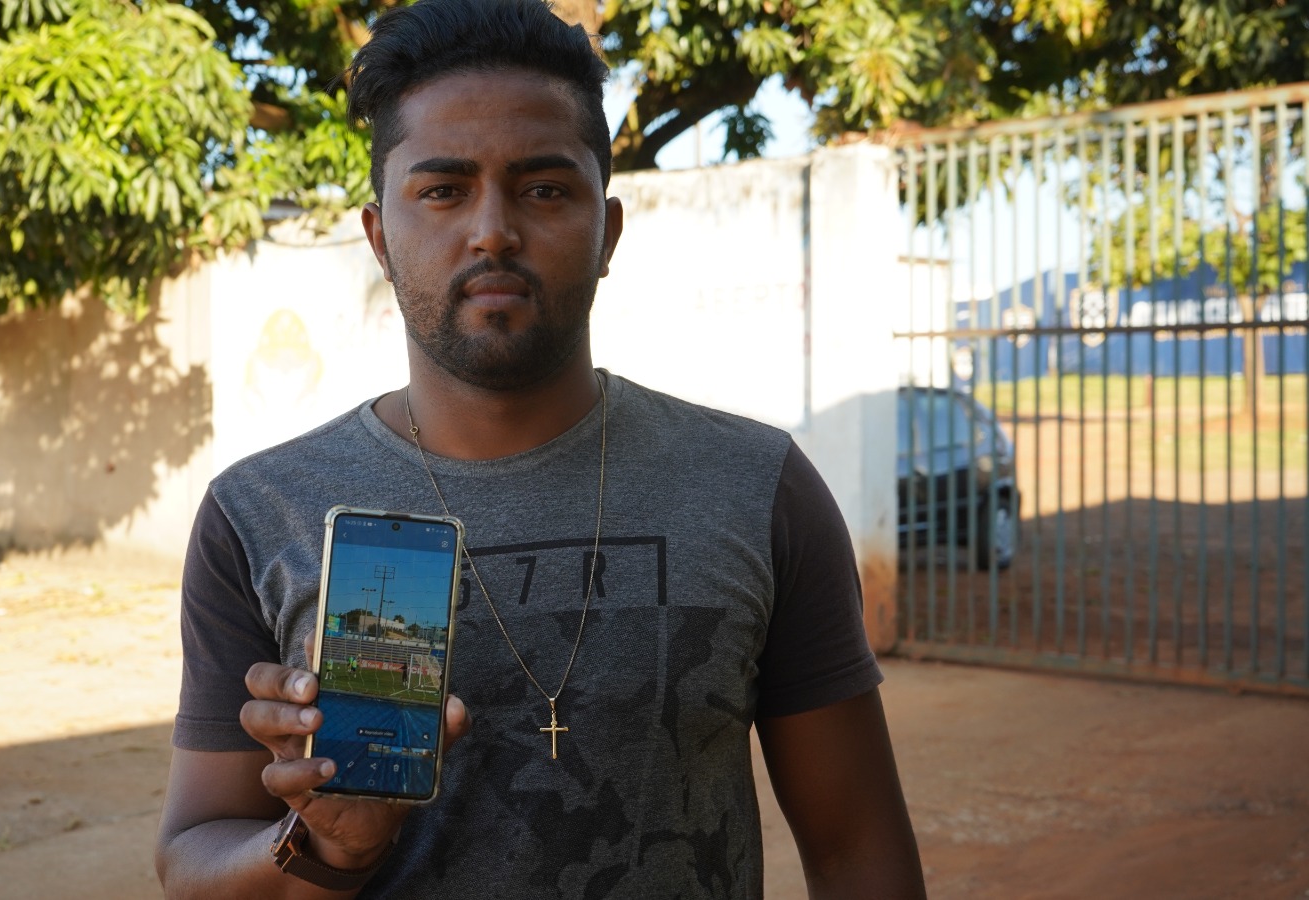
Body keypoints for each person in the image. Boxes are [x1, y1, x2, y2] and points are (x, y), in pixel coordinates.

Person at [154, 0, 925, 896]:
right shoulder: (262, 512)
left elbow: (857, 847)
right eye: (442, 190)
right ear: (378, 237)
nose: (492, 231)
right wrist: (328, 846)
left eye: (545, 189)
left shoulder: (758, 486)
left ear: (609, 232)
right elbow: (192, 860)